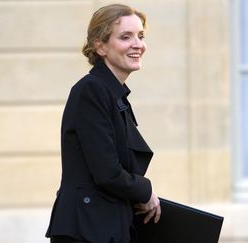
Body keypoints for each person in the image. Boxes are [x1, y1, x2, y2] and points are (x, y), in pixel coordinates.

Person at [45, 4, 161, 243]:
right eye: (125, 37)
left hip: (101, 227)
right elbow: (107, 172)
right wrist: (145, 190)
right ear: (100, 46)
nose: (137, 44)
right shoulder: (92, 90)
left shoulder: (111, 93)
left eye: (140, 36)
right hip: (87, 230)